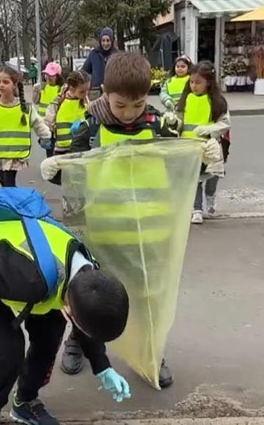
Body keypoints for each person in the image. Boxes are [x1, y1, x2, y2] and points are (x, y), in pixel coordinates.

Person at [54, 53, 221, 388]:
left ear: (148, 95)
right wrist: (60, 180)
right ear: (104, 93)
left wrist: (204, 160)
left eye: (138, 104)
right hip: (103, 235)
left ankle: (151, 351)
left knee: (148, 298)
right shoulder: (89, 129)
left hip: (150, 233)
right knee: (90, 295)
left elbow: (180, 170)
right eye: (120, 105)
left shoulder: (161, 127)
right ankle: (79, 340)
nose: (130, 113)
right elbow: (72, 180)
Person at [0, 203, 133, 425]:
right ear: (70, 309)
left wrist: (102, 366)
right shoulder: (29, 280)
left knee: (49, 337)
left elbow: (88, 316)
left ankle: (25, 402)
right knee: (8, 348)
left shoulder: (88, 274)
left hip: (28, 273)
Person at [170, 61, 231, 224]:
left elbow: (225, 123)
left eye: (198, 82)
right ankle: (196, 209)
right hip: (189, 146)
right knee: (194, 179)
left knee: (212, 177)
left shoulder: (217, 102)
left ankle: (210, 198)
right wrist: (173, 123)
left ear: (208, 83)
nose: (194, 86)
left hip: (210, 147)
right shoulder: (185, 100)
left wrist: (209, 129)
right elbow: (179, 120)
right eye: (191, 82)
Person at [0, 66, 52, 188]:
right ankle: (10, 199)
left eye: (5, 82)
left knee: (8, 182)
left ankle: (12, 202)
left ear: (14, 85)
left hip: (16, 153)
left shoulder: (25, 108)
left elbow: (38, 123)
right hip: (0, 152)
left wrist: (46, 136)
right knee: (3, 181)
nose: (1, 85)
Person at [44, 71, 91, 156]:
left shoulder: (86, 101)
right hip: (62, 149)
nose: (86, 94)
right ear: (72, 88)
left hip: (81, 147)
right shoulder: (59, 101)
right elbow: (48, 121)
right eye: (82, 91)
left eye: (88, 90)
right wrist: (46, 137)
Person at [82, 27, 119, 101]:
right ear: (100, 41)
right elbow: (84, 71)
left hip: (112, 91)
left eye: (108, 40)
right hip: (96, 91)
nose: (105, 43)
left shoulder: (117, 55)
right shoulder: (94, 54)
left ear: (112, 41)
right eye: (103, 40)